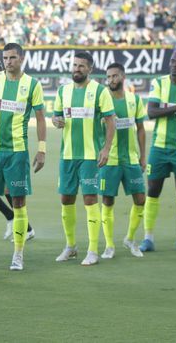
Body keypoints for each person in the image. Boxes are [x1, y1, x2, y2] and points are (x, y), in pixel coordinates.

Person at [0, 43, 46, 271]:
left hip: (17, 154)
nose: (8, 62)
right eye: (5, 58)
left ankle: (18, 254)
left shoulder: (32, 85)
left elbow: (41, 118)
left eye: (13, 58)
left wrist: (42, 149)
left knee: (18, 203)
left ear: (21, 58)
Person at [52, 51, 116, 266]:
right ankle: (71, 246)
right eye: (74, 65)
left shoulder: (100, 91)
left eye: (81, 66)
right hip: (67, 155)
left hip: (90, 156)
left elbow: (110, 121)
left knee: (90, 199)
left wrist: (106, 149)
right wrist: (56, 121)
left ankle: (92, 250)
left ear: (90, 69)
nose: (76, 69)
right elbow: (57, 116)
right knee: (66, 199)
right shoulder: (63, 91)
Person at [140, 50, 176, 252]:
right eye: (173, 61)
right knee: (153, 191)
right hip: (159, 147)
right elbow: (151, 112)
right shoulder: (159, 83)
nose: (174, 64)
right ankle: (148, 237)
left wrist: (173, 108)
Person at [0, 61, 35, 241]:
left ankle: (21, 224)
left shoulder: (6, 87)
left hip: (9, 151)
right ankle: (19, 223)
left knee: (2, 192)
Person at [99, 63, 146, 259]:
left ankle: (130, 238)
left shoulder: (134, 100)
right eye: (109, 77)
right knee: (107, 200)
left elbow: (141, 129)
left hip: (131, 159)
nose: (111, 80)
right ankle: (109, 245)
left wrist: (143, 155)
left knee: (141, 199)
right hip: (109, 160)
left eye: (115, 76)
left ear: (123, 77)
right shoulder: (102, 101)